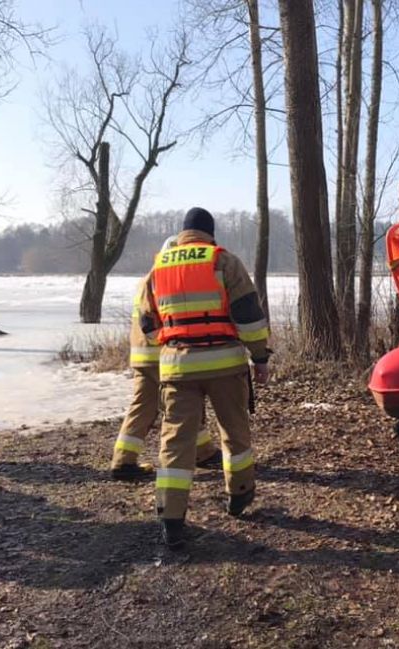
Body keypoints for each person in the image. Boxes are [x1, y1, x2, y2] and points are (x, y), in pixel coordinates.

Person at [139, 207, 270, 549]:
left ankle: (171, 518)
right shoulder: (223, 261)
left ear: (182, 233)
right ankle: (239, 495)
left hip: (177, 367)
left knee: (176, 442)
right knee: (234, 431)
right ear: (210, 234)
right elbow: (248, 316)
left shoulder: (158, 267)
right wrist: (259, 357)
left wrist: (172, 344)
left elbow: (148, 324)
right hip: (225, 364)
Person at [110, 239, 222, 481]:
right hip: (162, 356)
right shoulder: (163, 277)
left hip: (143, 356)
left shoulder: (147, 278)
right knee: (186, 402)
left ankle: (123, 460)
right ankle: (201, 453)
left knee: (144, 407)